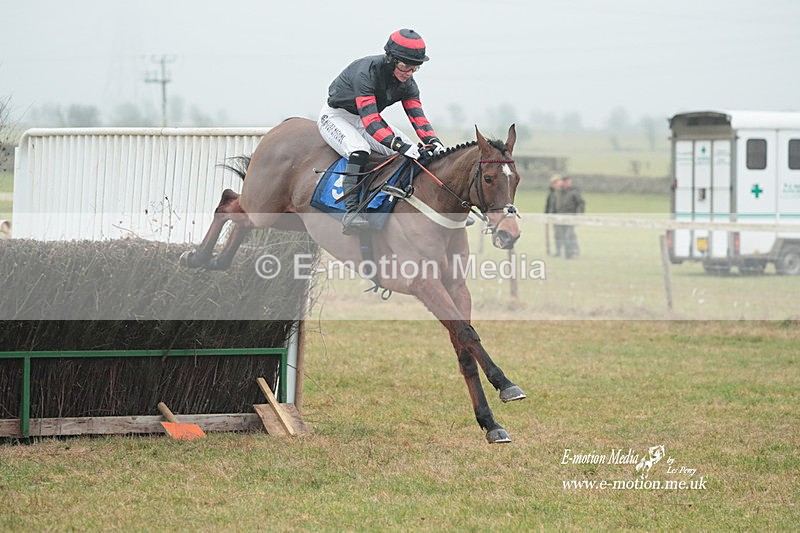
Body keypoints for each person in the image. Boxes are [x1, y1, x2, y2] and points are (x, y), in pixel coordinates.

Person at [317, 28, 446, 234]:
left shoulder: (408, 83)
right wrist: (400, 146)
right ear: (390, 58)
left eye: (415, 68)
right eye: (404, 66)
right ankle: (351, 213)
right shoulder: (366, 72)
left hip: (364, 118)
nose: (409, 73)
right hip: (336, 116)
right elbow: (371, 121)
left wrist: (433, 140)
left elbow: (417, 117)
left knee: (413, 154)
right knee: (359, 149)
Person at [556, 176, 586, 258]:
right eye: (565, 181)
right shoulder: (560, 192)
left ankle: (569, 254)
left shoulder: (574, 192)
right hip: (560, 218)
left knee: (568, 235)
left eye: (568, 181)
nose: (567, 183)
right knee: (565, 235)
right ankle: (572, 252)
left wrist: (579, 215)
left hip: (571, 217)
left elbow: (581, 204)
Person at [545, 174, 563, 256]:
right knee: (557, 235)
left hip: (562, 217)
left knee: (568, 234)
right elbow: (548, 205)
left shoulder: (563, 192)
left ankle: (570, 252)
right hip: (554, 217)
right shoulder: (551, 193)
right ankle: (558, 251)